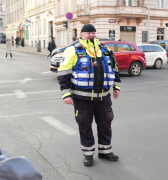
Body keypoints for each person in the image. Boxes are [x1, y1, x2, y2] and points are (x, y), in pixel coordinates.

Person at [57, 24, 121, 167]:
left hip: (104, 97)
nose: (91, 35)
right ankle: (88, 154)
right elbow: (63, 73)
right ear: (81, 35)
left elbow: (114, 69)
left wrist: (116, 86)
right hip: (82, 98)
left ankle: (105, 151)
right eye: (88, 33)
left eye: (93, 32)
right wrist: (66, 94)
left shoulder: (105, 50)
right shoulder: (73, 50)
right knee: (85, 125)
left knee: (105, 124)